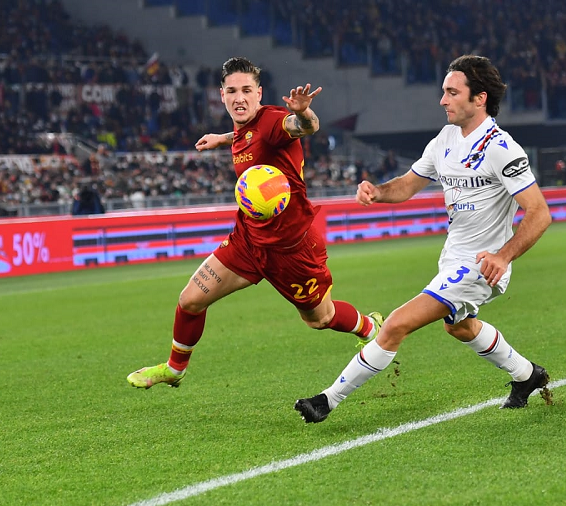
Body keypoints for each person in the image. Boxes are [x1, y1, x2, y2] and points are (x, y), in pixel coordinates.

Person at [294, 55, 554, 423]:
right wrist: (378, 191)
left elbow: (539, 212)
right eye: (443, 91)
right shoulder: (446, 139)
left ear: (479, 99)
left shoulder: (501, 148)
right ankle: (527, 376)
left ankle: (326, 401)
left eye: (452, 92)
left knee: (397, 323)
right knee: (459, 326)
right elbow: (408, 185)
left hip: (481, 264)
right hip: (453, 257)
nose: (442, 100)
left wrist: (503, 256)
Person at [127, 57, 383, 388]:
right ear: (221, 95)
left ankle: (370, 327)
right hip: (247, 240)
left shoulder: (275, 121)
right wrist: (222, 138)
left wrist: (304, 112)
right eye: (232, 91)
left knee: (322, 319)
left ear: (259, 93)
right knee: (190, 299)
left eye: (247, 90)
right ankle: (174, 369)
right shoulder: (242, 130)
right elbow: (247, 138)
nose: (239, 98)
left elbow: (303, 127)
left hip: (292, 250)